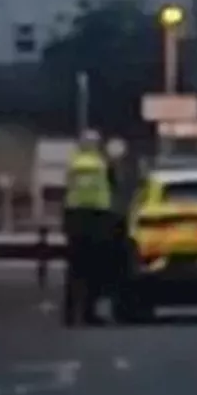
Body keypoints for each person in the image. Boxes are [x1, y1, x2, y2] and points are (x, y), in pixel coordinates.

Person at [62, 129, 115, 327]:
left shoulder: (73, 164)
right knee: (94, 270)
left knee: (74, 270)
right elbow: (112, 187)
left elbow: (67, 191)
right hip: (97, 219)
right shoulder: (102, 164)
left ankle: (68, 314)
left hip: (75, 219)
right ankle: (89, 313)